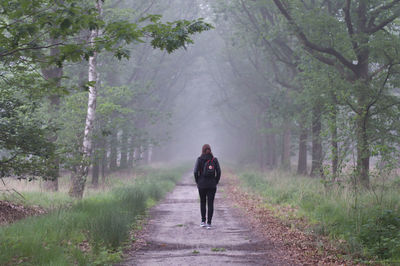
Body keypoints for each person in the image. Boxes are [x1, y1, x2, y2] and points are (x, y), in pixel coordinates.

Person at [193, 144, 221, 229]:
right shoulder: (214, 160)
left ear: (202, 150)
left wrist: (198, 181)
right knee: (210, 203)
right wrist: (215, 181)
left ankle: (203, 221)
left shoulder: (199, 159)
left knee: (203, 202)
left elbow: (195, 172)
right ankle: (209, 223)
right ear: (210, 150)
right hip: (212, 184)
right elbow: (219, 172)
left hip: (202, 184)